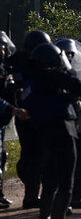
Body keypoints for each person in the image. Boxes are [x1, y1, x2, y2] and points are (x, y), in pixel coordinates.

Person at [26, 43, 81, 219]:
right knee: (66, 183)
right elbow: (80, 88)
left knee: (50, 182)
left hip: (42, 134)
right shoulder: (56, 76)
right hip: (64, 131)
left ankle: (44, 215)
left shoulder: (32, 81)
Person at [8, 30, 51, 208]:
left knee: (30, 155)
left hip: (22, 115)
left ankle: (31, 193)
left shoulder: (14, 62)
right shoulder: (32, 64)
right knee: (36, 155)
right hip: (31, 114)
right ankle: (31, 196)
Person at [56, 38, 81, 209]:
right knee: (65, 161)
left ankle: (76, 194)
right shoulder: (53, 74)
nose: (70, 58)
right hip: (65, 123)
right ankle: (61, 199)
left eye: (72, 54)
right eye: (68, 55)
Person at [0, 31, 17, 208]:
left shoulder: (4, 67)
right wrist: (12, 108)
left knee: (2, 156)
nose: (4, 49)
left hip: (2, 119)